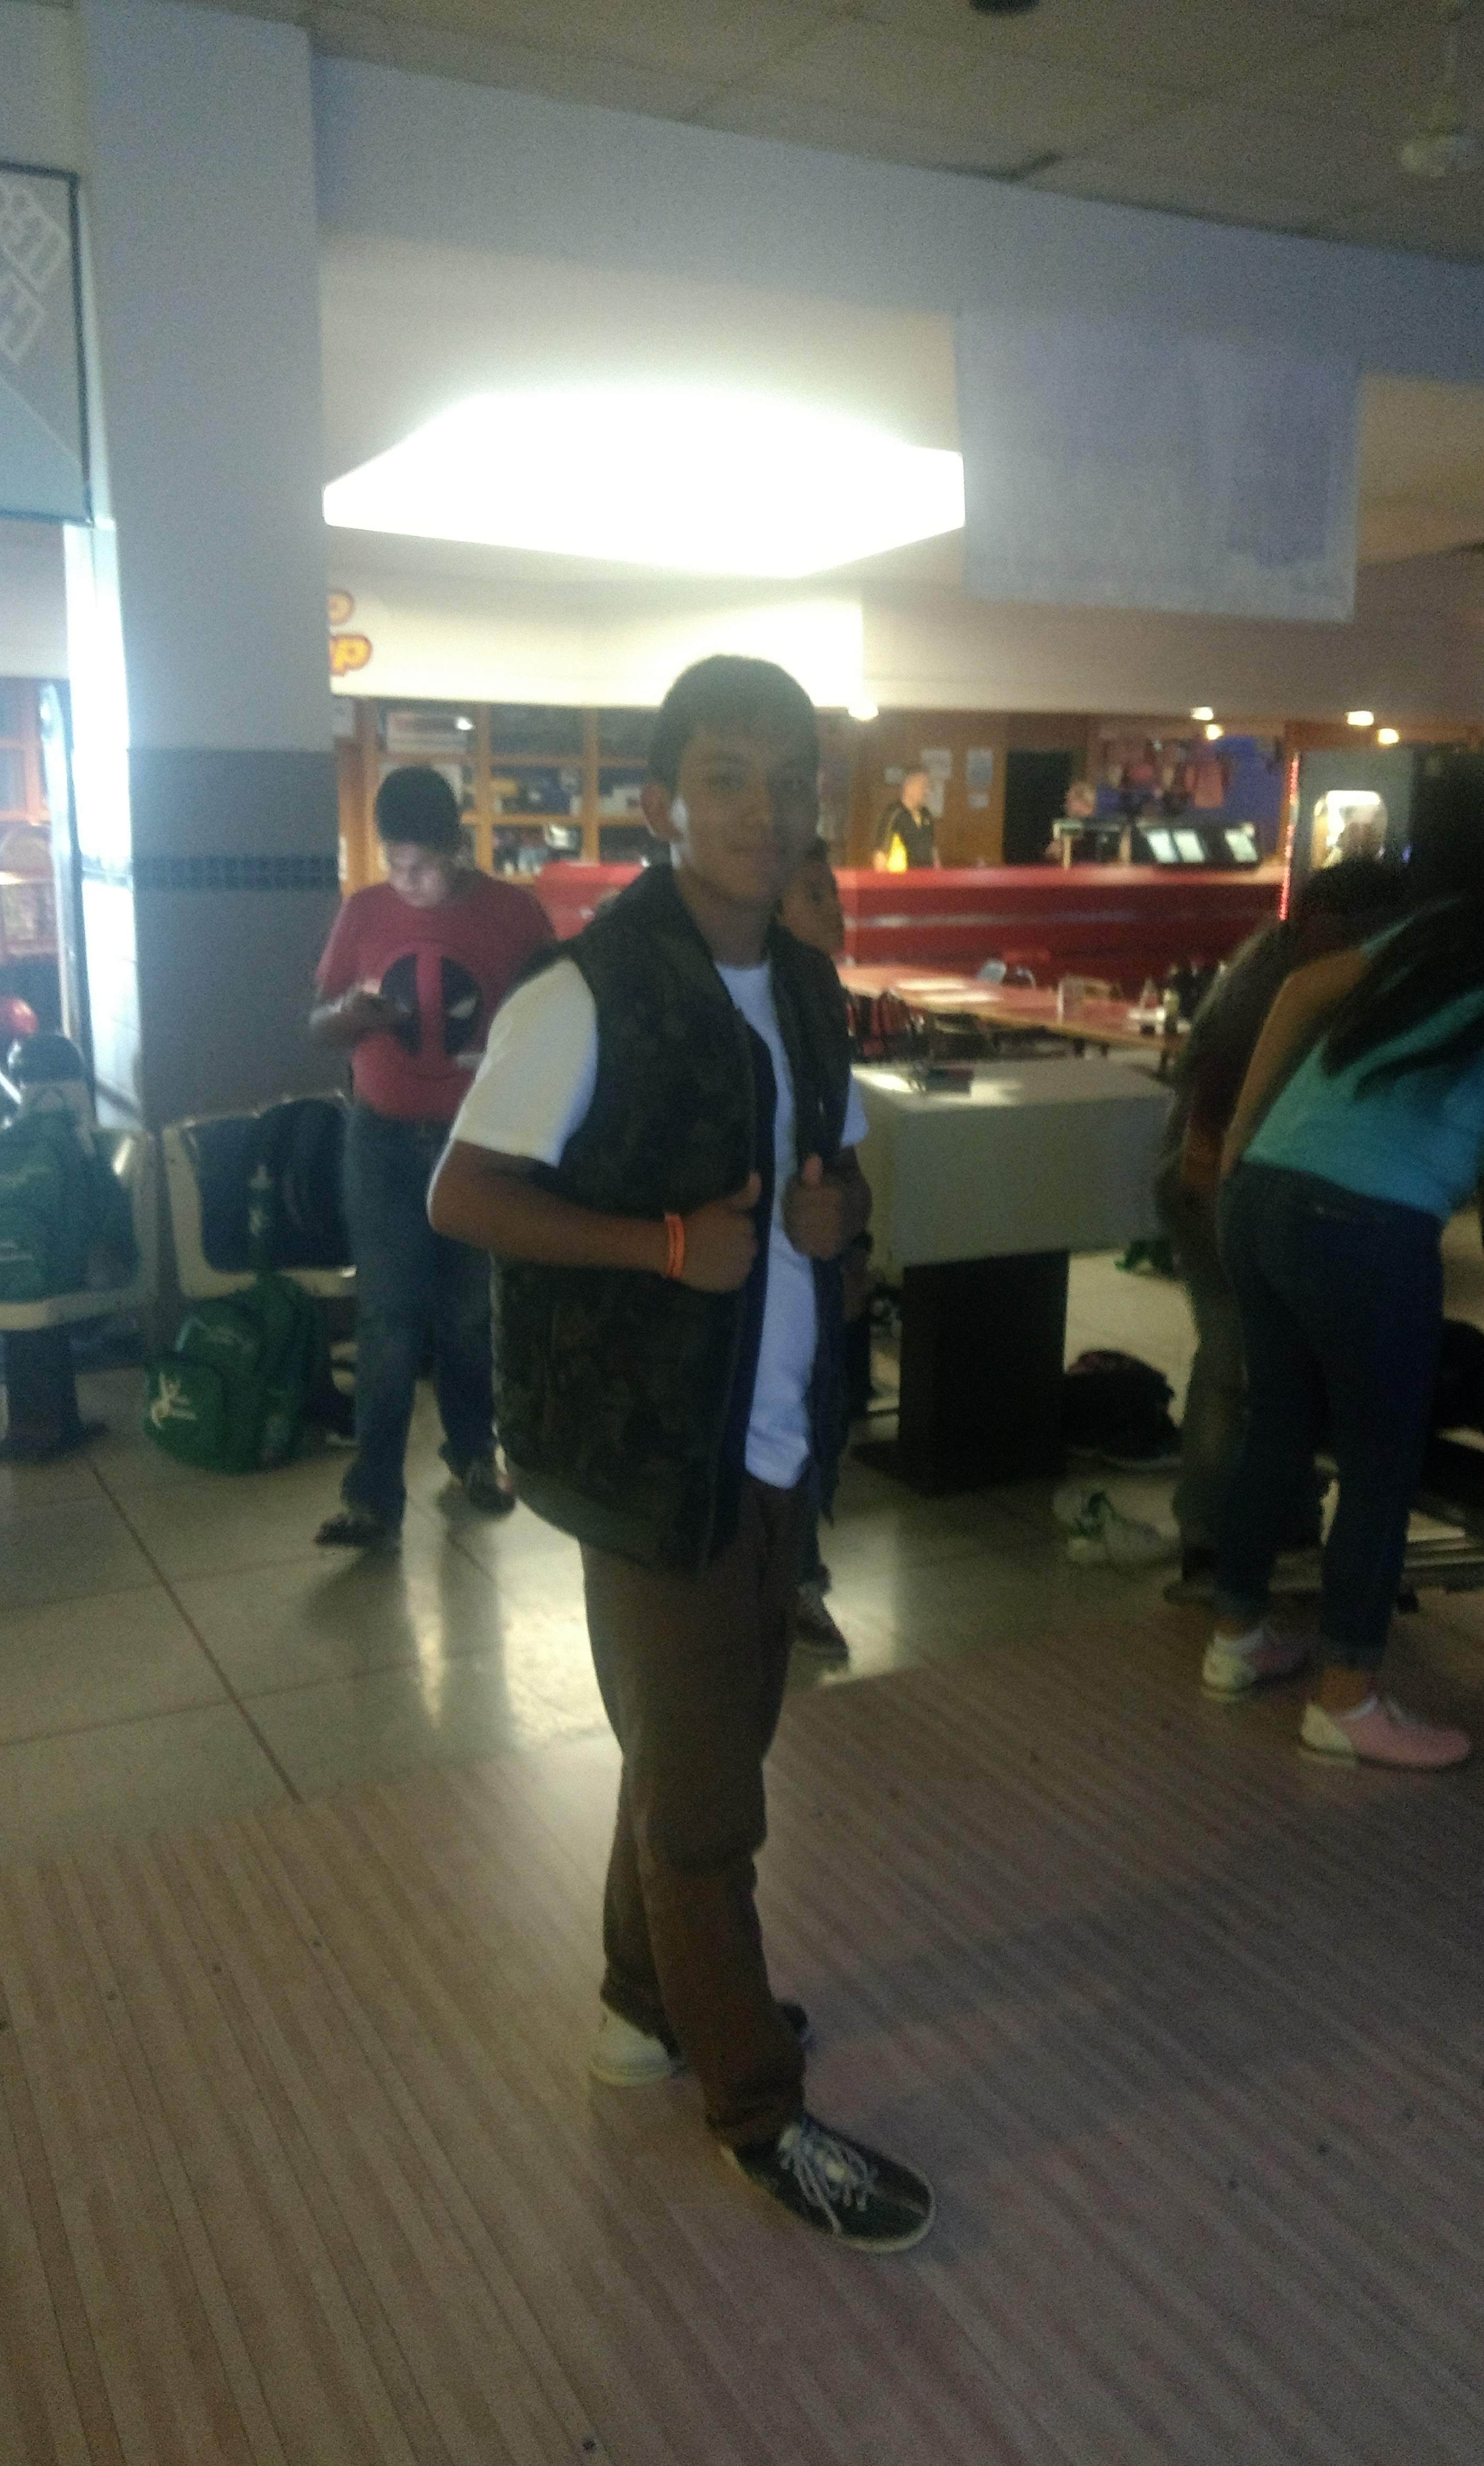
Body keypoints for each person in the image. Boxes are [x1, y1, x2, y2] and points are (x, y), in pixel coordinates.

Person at [430, 655, 933, 2252]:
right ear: (660, 801)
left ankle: (638, 2009)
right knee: (709, 1807)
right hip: (650, 1454)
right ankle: (755, 2109)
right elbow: (463, 1193)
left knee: (692, 1749)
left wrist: (836, 1219)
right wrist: (659, 1244)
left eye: (791, 782)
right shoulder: (581, 994)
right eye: (727, 778)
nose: (764, 811)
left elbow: (834, 1170)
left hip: (773, 1435)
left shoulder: (803, 987)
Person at [1203, 880, 1484, 1770]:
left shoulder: (1453, 931)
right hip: (1365, 1228)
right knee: (1381, 1465)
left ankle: (1236, 1640)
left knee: (1279, 1424)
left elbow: (1301, 988)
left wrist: (1242, 1130)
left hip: (1260, 1194)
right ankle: (1347, 1700)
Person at [1156, 859, 1412, 1602]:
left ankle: (1278, 1530)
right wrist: (1213, 1200)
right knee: (1233, 1364)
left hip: (1248, 1187)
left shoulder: (1289, 962)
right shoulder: (1278, 980)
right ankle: (1211, 1541)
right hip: (1217, 1184)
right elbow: (1211, 1109)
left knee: (1273, 1367)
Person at [310, 765, 551, 1547]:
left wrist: (511, 1051)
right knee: (388, 1317)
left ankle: (475, 1453)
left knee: (469, 1314)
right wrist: (351, 1015)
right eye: (393, 863)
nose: (404, 881)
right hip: (381, 1138)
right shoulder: (364, 910)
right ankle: (373, 1497)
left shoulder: (514, 914)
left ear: (455, 849)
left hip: (477, 1141)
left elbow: (553, 1016)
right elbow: (318, 1024)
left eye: (419, 865)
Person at [778, 838, 871, 1662]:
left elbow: (848, 1171)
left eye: (833, 892)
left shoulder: (821, 1009)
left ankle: (800, 1578)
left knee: (813, 1427)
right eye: (816, 895)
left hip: (807, 1276)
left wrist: (847, 1233)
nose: (836, 909)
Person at [872, 766, 938, 870]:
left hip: (926, 877)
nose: (928, 792)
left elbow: (933, 850)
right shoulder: (893, 813)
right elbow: (881, 853)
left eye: (929, 787)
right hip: (901, 878)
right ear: (909, 786)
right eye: (924, 787)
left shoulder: (927, 815)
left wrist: (938, 875)